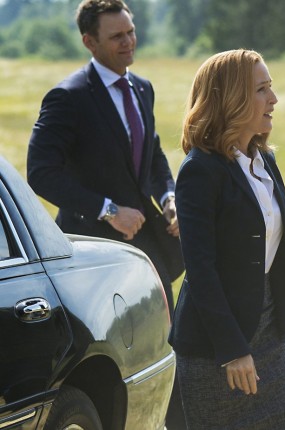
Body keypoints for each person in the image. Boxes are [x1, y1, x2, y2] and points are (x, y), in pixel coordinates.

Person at [26, 0, 185, 428]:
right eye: (117, 36)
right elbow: (40, 172)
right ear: (89, 42)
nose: (129, 41)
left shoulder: (142, 88)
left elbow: (152, 157)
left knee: (166, 351)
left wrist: (169, 195)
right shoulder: (68, 97)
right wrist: (108, 210)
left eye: (131, 31)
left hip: (147, 251)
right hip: (91, 259)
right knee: (111, 365)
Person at [168, 49, 285, 429]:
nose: (274, 99)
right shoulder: (200, 170)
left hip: (271, 335)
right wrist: (232, 349)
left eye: (271, 87)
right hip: (215, 349)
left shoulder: (265, 161)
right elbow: (200, 270)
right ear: (231, 99)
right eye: (262, 89)